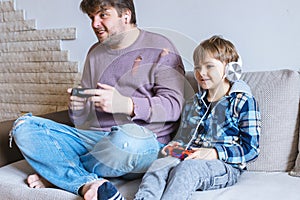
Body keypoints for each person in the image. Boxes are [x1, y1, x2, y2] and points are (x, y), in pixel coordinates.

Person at [10, 0, 185, 199]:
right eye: (91, 17)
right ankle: (86, 182)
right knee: (24, 126)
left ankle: (60, 173)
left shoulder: (160, 47)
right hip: (96, 139)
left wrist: (127, 105)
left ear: (125, 15)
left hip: (142, 143)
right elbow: (83, 122)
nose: (94, 24)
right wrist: (77, 108)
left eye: (103, 15)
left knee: (129, 139)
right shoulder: (95, 53)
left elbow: (174, 106)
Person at [134, 35, 261, 200]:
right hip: (190, 155)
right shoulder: (193, 103)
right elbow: (184, 137)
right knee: (159, 164)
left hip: (224, 165)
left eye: (209, 66)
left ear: (230, 69)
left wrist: (214, 153)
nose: (201, 73)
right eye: (197, 67)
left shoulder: (243, 101)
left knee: (187, 169)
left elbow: (251, 149)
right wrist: (173, 147)